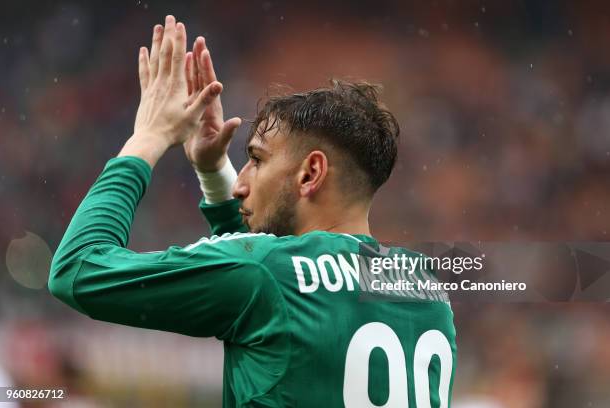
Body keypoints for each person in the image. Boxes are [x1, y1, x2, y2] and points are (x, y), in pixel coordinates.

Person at [49, 15, 457, 407]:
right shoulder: (426, 288)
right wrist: (211, 171)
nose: (241, 183)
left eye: (257, 160)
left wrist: (148, 137)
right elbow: (285, 287)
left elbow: (78, 269)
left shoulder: (267, 275)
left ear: (310, 173)